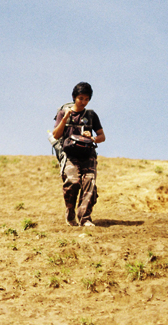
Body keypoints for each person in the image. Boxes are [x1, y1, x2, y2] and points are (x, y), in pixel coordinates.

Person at [52, 82, 106, 227]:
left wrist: (92, 138)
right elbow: (56, 135)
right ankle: (70, 211)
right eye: (80, 98)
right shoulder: (63, 113)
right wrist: (65, 118)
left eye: (86, 99)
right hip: (70, 155)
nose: (83, 102)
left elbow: (102, 136)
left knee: (89, 183)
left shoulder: (91, 115)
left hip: (88, 154)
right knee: (73, 182)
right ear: (74, 97)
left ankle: (85, 218)